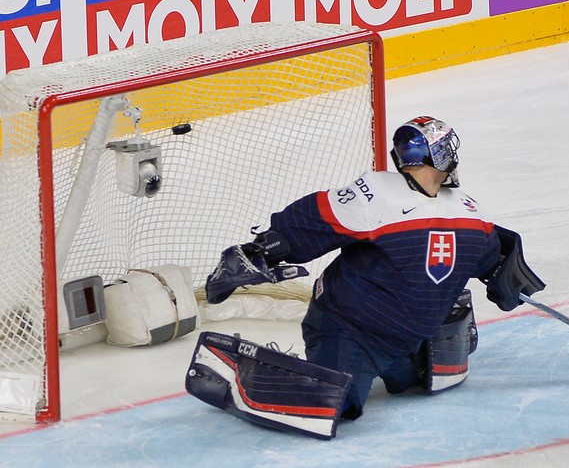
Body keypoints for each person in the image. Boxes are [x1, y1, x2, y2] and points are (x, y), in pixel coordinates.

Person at [186, 116, 546, 439]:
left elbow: (489, 254)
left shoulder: (469, 211)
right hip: (349, 331)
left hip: (406, 338)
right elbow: (311, 223)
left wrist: (505, 271)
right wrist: (259, 252)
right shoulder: (374, 195)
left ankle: (428, 340)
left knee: (428, 380)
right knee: (332, 404)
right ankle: (244, 370)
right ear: (445, 156)